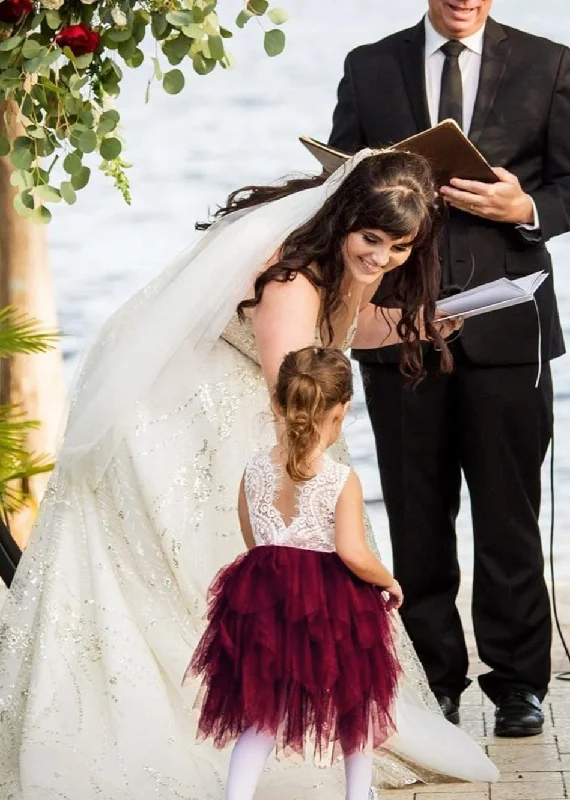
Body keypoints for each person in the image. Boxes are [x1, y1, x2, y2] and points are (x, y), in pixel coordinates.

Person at [0, 149, 484, 800]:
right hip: (199, 426)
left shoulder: (343, 262)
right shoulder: (289, 281)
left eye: (399, 248)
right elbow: (297, 396)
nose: (382, 258)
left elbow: (344, 328)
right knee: (205, 578)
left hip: (261, 407)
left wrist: (414, 323)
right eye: (372, 240)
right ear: (344, 218)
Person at [329, 0, 570, 736]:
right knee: (415, 514)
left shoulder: (549, 62)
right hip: (395, 325)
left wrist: (524, 204)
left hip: (507, 328)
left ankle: (518, 684)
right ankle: (434, 681)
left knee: (509, 515)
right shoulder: (370, 66)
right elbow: (337, 188)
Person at [186, 346, 498, 800]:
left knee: (262, 713)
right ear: (343, 409)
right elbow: (352, 552)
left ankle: (237, 795)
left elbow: (251, 535)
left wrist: (278, 574)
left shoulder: (254, 470)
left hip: (264, 597)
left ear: (278, 402)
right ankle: (357, 794)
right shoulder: (338, 479)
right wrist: (387, 579)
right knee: (356, 703)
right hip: (331, 604)